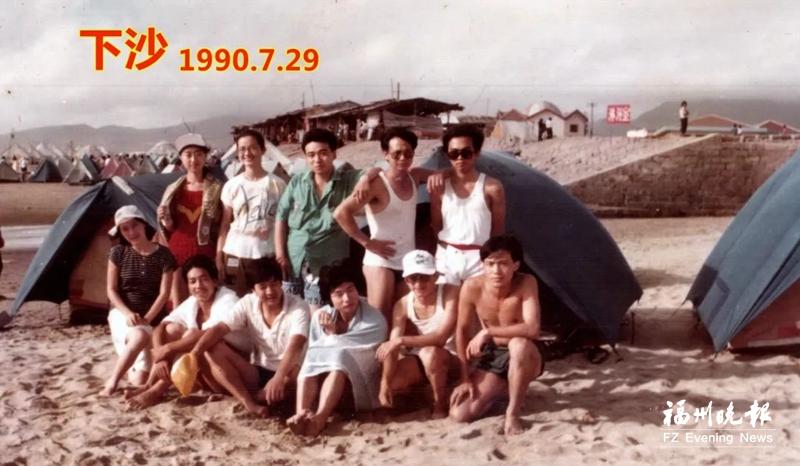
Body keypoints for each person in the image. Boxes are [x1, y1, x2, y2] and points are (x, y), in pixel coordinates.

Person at [333, 127, 445, 321]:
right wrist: (367, 242)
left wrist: (440, 176)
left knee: (403, 318)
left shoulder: (415, 176)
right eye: (396, 154)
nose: (402, 158)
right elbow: (341, 213)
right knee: (380, 319)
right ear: (385, 154)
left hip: (407, 260)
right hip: (380, 261)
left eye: (408, 153)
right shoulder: (377, 184)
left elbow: (449, 174)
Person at [189, 256, 310, 416]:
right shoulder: (248, 302)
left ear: (281, 283)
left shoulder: (298, 307)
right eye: (263, 287)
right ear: (253, 289)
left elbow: (296, 345)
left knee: (288, 378)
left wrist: (278, 378)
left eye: (274, 284)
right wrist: (194, 353)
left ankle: (260, 398)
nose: (270, 291)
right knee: (212, 347)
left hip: (288, 372)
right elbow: (220, 328)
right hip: (259, 370)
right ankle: (248, 402)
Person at [449, 235, 545, 435]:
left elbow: (532, 329)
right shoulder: (472, 287)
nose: (496, 271)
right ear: (483, 265)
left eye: (503, 264)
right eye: (490, 264)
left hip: (527, 353)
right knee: (460, 414)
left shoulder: (526, 282)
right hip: (495, 354)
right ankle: (505, 387)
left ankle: (513, 413)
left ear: (515, 265)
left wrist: (488, 331)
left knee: (518, 344)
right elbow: (462, 331)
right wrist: (464, 378)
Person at [125, 254, 249, 409]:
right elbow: (160, 327)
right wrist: (160, 356)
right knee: (172, 329)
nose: (198, 285)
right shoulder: (194, 302)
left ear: (215, 281)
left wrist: (167, 349)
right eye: (192, 281)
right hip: (206, 370)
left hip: (235, 375)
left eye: (204, 279)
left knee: (193, 337)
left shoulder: (228, 300)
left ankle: (158, 390)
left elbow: (207, 334)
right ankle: (150, 385)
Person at [275, 128, 373, 310]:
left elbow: (377, 170)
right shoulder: (297, 182)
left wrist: (366, 178)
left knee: (319, 314)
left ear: (334, 154)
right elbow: (281, 216)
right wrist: (280, 253)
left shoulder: (347, 180)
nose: (317, 160)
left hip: (327, 263)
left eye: (323, 153)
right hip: (294, 258)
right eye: (311, 155)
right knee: (292, 310)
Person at [287, 260, 387, 436]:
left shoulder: (374, 319)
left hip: (361, 385)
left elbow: (360, 357)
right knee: (315, 358)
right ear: (330, 298)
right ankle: (301, 413)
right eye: (339, 294)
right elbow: (315, 356)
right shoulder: (321, 316)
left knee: (339, 361)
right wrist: (331, 338)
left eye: (350, 290)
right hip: (326, 385)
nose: (347, 298)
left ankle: (319, 419)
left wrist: (333, 335)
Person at [101, 205, 176, 396]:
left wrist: (148, 319)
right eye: (125, 229)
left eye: (134, 225)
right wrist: (128, 314)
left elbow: (164, 293)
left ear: (144, 224)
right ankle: (113, 382)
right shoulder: (118, 252)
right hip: (122, 313)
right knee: (140, 335)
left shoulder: (164, 255)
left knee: (140, 380)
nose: (131, 232)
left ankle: (132, 368)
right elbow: (111, 290)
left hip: (153, 317)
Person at [376, 250, 459, 418]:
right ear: (406, 280)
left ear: (435, 276)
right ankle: (429, 394)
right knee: (392, 383)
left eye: (425, 277)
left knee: (430, 354)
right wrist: (385, 383)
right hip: (423, 357)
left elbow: (441, 338)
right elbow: (392, 346)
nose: (419, 284)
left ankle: (440, 404)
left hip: (453, 356)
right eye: (413, 278)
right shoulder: (402, 304)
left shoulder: (450, 293)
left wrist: (401, 340)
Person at [430, 124, 506, 286]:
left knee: (475, 302)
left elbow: (497, 230)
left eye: (466, 153)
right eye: (454, 153)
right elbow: (436, 225)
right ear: (447, 155)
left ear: (476, 153)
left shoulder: (492, 187)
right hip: (447, 256)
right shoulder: (439, 187)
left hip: (480, 257)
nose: (460, 158)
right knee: (446, 302)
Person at [217, 128, 286, 296]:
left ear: (263, 150)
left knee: (266, 301)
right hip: (235, 253)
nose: (247, 153)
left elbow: (283, 224)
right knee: (237, 301)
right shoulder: (231, 185)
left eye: (253, 147)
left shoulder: (277, 184)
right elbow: (225, 224)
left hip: (266, 254)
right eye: (242, 149)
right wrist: (218, 254)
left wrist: (282, 253)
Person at [158, 133, 224, 306]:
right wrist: (165, 220)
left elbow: (223, 225)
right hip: (177, 251)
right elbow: (170, 228)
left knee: (205, 300)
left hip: (206, 251)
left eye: (198, 154)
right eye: (188, 154)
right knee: (178, 303)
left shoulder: (217, 188)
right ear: (181, 158)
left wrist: (219, 255)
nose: (193, 159)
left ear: (205, 157)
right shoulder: (173, 189)